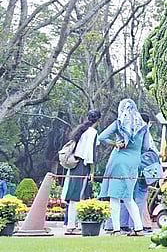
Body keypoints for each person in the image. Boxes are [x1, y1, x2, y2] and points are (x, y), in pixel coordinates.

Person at [97, 98, 151, 236]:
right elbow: (146, 147)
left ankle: (116, 229)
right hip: (134, 163)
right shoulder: (143, 127)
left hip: (118, 161)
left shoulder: (119, 124)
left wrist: (115, 143)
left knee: (114, 197)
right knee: (128, 197)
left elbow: (102, 137)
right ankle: (138, 228)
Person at [62, 109, 101, 235]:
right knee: (77, 196)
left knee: (74, 195)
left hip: (75, 164)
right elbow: (91, 154)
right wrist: (92, 170)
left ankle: (72, 224)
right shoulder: (92, 132)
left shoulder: (81, 130)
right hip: (82, 165)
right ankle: (72, 226)